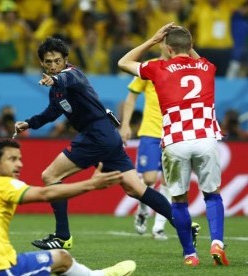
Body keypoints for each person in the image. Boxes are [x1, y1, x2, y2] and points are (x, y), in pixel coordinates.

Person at [14, 37, 177, 251]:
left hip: (95, 136)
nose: (53, 65)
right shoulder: (57, 89)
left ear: (66, 60)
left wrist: (54, 80)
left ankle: (62, 236)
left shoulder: (73, 75)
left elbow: (64, 78)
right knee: (135, 188)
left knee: (50, 176)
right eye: (48, 62)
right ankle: (184, 224)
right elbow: (53, 111)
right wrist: (29, 123)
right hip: (107, 136)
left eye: (56, 61)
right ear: (42, 63)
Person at [118, 23, 229, 266]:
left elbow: (123, 63)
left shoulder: (157, 68)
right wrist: (190, 47)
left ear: (167, 49)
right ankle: (217, 242)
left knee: (178, 199)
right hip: (206, 138)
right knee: (212, 195)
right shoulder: (207, 67)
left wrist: (152, 40)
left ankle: (190, 254)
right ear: (191, 47)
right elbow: (197, 58)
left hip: (175, 140)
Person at [0, 139, 136, 276]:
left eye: (20, 159)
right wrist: (91, 184)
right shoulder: (4, 184)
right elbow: (45, 194)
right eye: (12, 159)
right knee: (62, 258)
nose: (19, 164)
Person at [119, 67, 172, 241]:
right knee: (149, 179)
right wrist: (125, 124)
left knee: (169, 181)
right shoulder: (149, 67)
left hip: (174, 133)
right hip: (150, 132)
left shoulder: (183, 68)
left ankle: (158, 228)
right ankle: (143, 210)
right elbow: (132, 95)